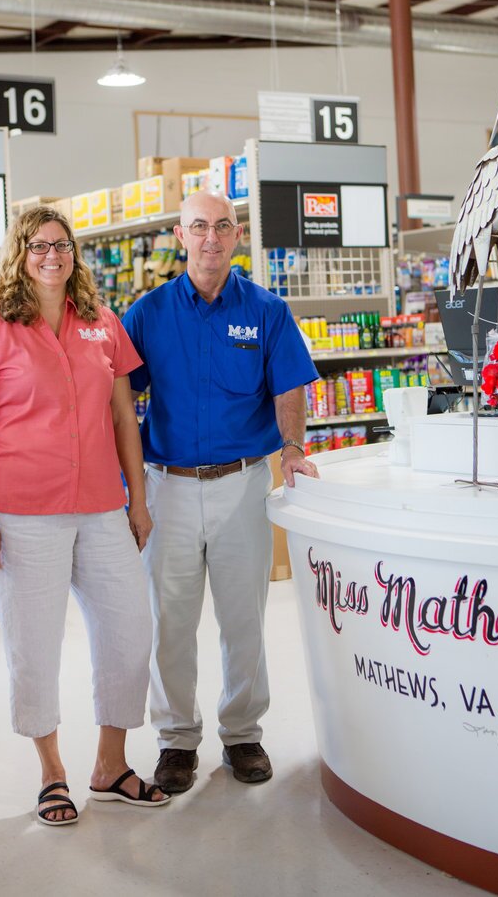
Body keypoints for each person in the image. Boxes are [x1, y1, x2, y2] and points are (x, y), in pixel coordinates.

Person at [0, 206, 169, 827]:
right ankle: (51, 773)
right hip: (22, 511)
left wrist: (139, 501)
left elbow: (124, 417)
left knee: (131, 631)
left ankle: (110, 765)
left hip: (101, 506)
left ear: (75, 253)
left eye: (62, 245)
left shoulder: (102, 322)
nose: (53, 255)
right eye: (40, 246)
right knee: (34, 645)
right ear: (20, 255)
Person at [122, 191, 319, 793]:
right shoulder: (148, 314)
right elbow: (119, 398)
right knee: (170, 622)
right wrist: (124, 482)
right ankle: (176, 740)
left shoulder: (267, 311)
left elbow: (289, 387)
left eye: (223, 226)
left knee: (244, 620)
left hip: (243, 484)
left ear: (237, 235)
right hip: (169, 488)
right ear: (180, 236)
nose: (212, 237)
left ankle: (242, 734)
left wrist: (292, 448)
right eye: (200, 226)